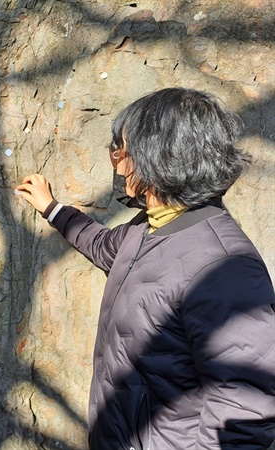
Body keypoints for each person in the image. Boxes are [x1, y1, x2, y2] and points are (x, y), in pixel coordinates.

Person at [17, 87, 275, 449]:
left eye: (122, 150)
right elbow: (103, 245)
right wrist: (53, 209)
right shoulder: (149, 226)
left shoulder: (224, 267)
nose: (118, 164)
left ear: (158, 156)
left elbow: (246, 408)